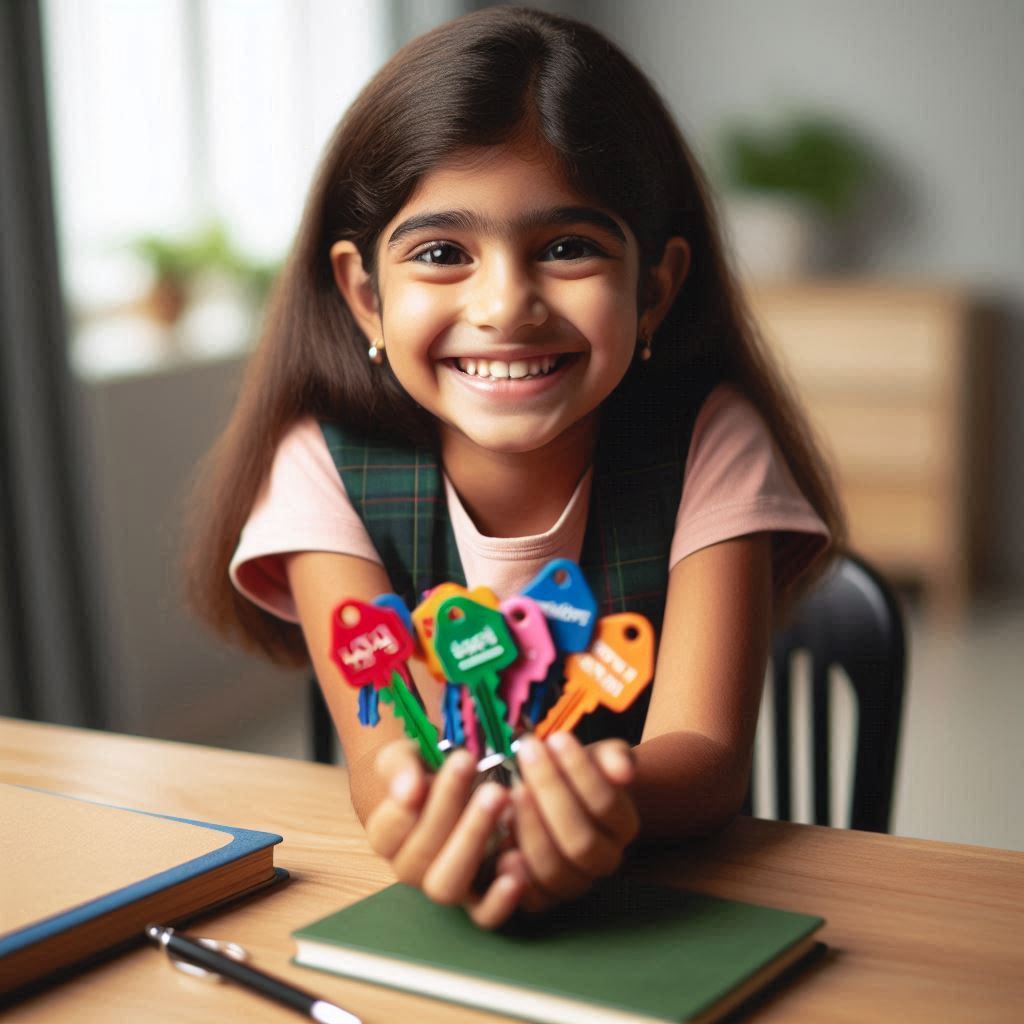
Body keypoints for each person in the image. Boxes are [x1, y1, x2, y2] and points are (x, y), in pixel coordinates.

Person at [185, 6, 844, 929]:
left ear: (653, 288)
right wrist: (472, 812)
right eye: (444, 254)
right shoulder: (320, 466)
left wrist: (573, 807)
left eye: (568, 248)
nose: (505, 305)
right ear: (366, 296)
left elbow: (703, 756)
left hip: (668, 915)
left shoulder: (709, 439)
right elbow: (388, 773)